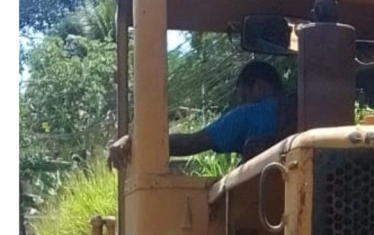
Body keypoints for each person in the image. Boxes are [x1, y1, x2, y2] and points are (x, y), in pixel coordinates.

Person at [108, 60, 288, 168]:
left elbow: (191, 143)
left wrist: (135, 143)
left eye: (244, 96)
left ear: (258, 87)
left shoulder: (250, 115)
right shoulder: (304, 112)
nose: (243, 103)